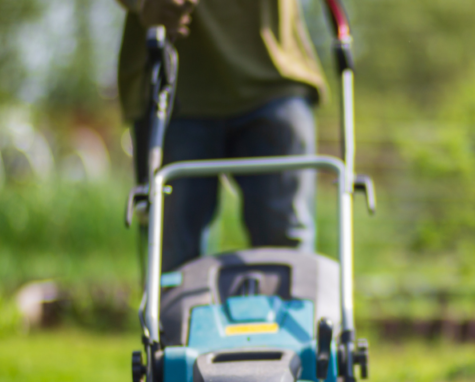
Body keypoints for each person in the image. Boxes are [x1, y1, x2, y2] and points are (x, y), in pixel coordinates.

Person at [115, 0, 329, 272]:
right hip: (171, 86)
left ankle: (287, 314)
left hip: (274, 75)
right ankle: (173, 314)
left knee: (286, 251)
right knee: (173, 259)